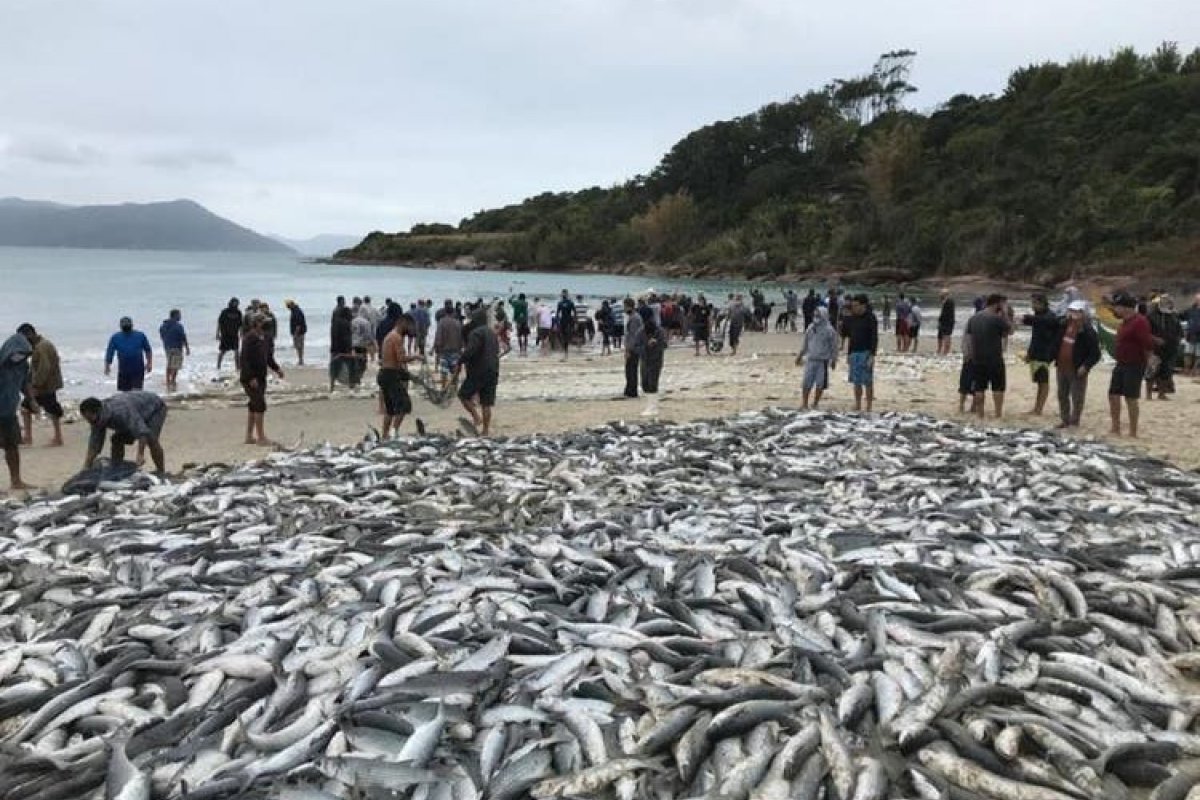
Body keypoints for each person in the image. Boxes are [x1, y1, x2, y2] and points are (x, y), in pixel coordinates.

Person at [80, 391, 167, 475]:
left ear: (98, 411)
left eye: (91, 419)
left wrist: (140, 454)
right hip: (135, 411)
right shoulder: (96, 420)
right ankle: (116, 469)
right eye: (87, 420)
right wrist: (86, 466)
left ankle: (161, 471)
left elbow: (142, 432)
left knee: (151, 439)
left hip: (154, 408)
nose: (90, 423)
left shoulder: (121, 412)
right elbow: (94, 445)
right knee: (116, 439)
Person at [1109, 292, 1155, 438]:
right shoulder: (1124, 322)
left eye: (1117, 307)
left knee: (1131, 397)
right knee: (1113, 394)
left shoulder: (1140, 321)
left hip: (1135, 363)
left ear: (1126, 307)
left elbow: (1147, 343)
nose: (1115, 309)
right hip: (1120, 362)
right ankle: (1115, 427)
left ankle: (1132, 431)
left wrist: (1149, 361)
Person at [1053, 300, 1101, 428]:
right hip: (1062, 366)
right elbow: (1057, 342)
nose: (1073, 314)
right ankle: (1065, 419)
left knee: (1077, 396)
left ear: (1084, 314)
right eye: (1072, 311)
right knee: (1062, 394)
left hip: (1077, 369)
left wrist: (1085, 366)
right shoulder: (1064, 326)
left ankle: (1075, 420)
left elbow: (1095, 354)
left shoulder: (1089, 332)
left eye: (1077, 311)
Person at [965, 294, 1013, 419]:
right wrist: (1006, 313)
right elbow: (1011, 330)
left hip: (978, 358)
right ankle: (998, 414)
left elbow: (969, 338)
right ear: (997, 304)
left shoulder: (974, 318)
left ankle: (980, 414)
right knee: (998, 387)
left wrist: (970, 354)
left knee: (980, 387)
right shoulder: (996, 319)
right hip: (994, 358)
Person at [239, 314, 284, 446]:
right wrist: (251, 377)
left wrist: (277, 369)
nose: (266, 324)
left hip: (261, 376)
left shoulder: (266, 338)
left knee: (254, 405)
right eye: (263, 322)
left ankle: (248, 436)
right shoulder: (249, 338)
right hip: (250, 378)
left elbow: (268, 357)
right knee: (260, 405)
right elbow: (244, 359)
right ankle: (261, 437)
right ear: (256, 323)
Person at [456, 307, 500, 436]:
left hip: (479, 370)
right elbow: (496, 351)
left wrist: (460, 361)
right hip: (493, 370)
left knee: (463, 395)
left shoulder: (475, 333)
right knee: (486, 403)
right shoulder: (492, 333)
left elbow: (470, 351)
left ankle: (476, 417)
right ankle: (485, 431)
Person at [18, 324, 64, 447]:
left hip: (45, 385)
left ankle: (57, 438)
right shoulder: (40, 345)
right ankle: (29, 437)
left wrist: (35, 385)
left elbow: (44, 368)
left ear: (30, 334)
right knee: (29, 408)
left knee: (50, 409)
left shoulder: (41, 347)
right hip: (48, 384)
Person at [378, 314, 423, 438]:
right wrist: (416, 356)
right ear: (403, 323)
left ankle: (384, 435)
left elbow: (392, 360)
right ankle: (393, 432)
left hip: (384, 374)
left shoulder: (389, 336)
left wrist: (408, 375)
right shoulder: (396, 337)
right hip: (390, 375)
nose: (411, 330)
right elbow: (401, 359)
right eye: (410, 326)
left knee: (390, 409)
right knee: (405, 405)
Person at [0, 331, 33, 491]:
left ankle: (16, 480)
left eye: (24, 354)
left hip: (9, 412)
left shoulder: (23, 366)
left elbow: (25, 384)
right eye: (18, 354)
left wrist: (31, 400)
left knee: (12, 446)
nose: (20, 357)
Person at [1020, 294, 1059, 415]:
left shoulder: (1050, 316)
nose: (1032, 306)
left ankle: (1039, 409)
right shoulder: (1039, 315)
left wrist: (1024, 318)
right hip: (1037, 352)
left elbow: (1044, 322)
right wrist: (1030, 353)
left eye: (1034, 303)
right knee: (1039, 381)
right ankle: (1037, 408)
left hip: (1045, 353)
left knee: (1043, 381)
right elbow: (1035, 337)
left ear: (1042, 303)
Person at [796, 306, 837, 410]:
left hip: (822, 361)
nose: (816, 317)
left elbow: (834, 346)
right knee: (806, 382)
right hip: (810, 360)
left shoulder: (829, 330)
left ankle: (815, 403)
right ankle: (804, 403)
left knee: (820, 384)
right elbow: (805, 345)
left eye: (818, 315)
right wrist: (800, 356)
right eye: (815, 315)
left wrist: (834, 360)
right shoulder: (810, 328)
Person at [842, 295, 878, 412]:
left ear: (863, 305)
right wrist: (849, 354)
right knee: (856, 381)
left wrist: (872, 355)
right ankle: (857, 404)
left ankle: (869, 406)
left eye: (856, 305)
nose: (854, 308)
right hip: (854, 352)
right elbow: (851, 337)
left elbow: (874, 337)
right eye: (853, 306)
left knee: (867, 381)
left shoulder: (871, 318)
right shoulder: (852, 318)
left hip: (866, 352)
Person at [1146, 295, 1183, 400]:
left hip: (1170, 348)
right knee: (1151, 371)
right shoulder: (1151, 316)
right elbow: (1145, 332)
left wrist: (1178, 339)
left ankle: (1161, 394)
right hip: (1154, 348)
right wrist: (1155, 339)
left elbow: (1179, 331)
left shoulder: (1174, 315)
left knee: (1166, 372)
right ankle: (1148, 395)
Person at [105, 317, 152, 391]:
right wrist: (107, 366)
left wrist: (149, 363)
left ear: (132, 325)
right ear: (121, 326)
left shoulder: (140, 335)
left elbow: (148, 350)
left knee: (137, 391)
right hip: (123, 369)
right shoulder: (115, 337)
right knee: (124, 391)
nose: (126, 327)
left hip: (138, 368)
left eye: (128, 325)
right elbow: (110, 352)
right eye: (124, 325)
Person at [434, 302, 464, 391]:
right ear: (453, 312)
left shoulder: (441, 322)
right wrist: (461, 349)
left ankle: (444, 388)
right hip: (455, 351)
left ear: (445, 312)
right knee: (455, 371)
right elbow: (461, 338)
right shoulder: (458, 323)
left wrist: (437, 349)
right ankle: (454, 389)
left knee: (444, 371)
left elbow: (438, 337)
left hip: (444, 351)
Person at [159, 309, 190, 394]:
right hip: (177, 347)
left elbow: (161, 335)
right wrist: (187, 347)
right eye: (179, 315)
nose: (180, 316)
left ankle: (167, 380)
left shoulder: (163, 325)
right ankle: (173, 380)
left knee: (169, 363)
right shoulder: (178, 326)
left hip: (167, 347)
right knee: (175, 365)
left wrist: (166, 342)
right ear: (175, 315)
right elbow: (183, 337)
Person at [329, 305, 354, 391]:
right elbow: (347, 338)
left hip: (334, 349)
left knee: (334, 368)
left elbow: (333, 336)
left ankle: (332, 386)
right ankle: (351, 385)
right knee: (350, 367)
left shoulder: (335, 323)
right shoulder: (346, 323)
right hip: (344, 349)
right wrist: (350, 349)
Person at [640, 315, 668, 393]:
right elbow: (636, 346)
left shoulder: (660, 332)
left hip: (656, 359)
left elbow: (665, 345)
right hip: (645, 359)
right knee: (644, 384)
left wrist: (656, 343)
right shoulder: (641, 332)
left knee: (653, 385)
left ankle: (653, 399)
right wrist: (646, 345)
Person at [622, 299, 644, 399]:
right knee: (630, 369)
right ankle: (629, 389)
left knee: (631, 369)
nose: (624, 308)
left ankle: (632, 391)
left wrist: (628, 350)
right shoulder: (634, 317)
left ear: (629, 306)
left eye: (625, 306)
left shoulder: (635, 318)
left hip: (633, 348)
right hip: (634, 347)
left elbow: (633, 336)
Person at [216, 298, 243, 371]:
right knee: (222, 351)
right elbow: (219, 323)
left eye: (237, 303)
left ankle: (237, 368)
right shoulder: (225, 312)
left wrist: (241, 333)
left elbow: (241, 324)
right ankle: (218, 366)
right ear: (231, 303)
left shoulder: (238, 312)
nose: (235, 304)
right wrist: (217, 333)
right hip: (225, 335)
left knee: (236, 351)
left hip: (234, 335)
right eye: (234, 302)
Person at [351, 307, 373, 387]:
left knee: (355, 363)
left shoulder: (352, 321)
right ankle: (358, 378)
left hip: (353, 345)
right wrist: (371, 343)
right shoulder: (366, 322)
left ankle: (355, 379)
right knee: (363, 364)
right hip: (362, 345)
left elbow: (350, 333)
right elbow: (368, 335)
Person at [555, 290, 576, 360]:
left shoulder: (567, 303)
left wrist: (575, 321)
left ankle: (566, 351)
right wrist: (557, 322)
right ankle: (565, 350)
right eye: (563, 294)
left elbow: (574, 312)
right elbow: (557, 314)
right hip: (565, 321)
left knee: (565, 336)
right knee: (563, 336)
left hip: (567, 321)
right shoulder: (561, 303)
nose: (563, 295)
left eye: (564, 294)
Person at [286, 300, 307, 366]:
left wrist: (295, 334)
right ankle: (300, 360)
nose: (288, 308)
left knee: (299, 346)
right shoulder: (295, 311)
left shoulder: (296, 312)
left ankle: (301, 360)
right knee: (299, 346)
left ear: (291, 305)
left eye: (288, 306)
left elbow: (298, 324)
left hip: (299, 332)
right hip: (299, 332)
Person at [1184, 294, 1200, 376]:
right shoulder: (1190, 310)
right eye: (1197, 299)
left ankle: (1195, 370)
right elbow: (1183, 316)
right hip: (1191, 335)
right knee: (1188, 353)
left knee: (1198, 355)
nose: (1198, 301)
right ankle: (1186, 369)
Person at [937, 291, 955, 356]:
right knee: (943, 336)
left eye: (941, 295)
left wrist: (940, 320)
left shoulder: (949, 301)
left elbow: (946, 313)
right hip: (947, 321)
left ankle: (945, 351)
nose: (939, 296)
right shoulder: (948, 301)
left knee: (946, 336)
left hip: (947, 322)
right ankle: (942, 350)